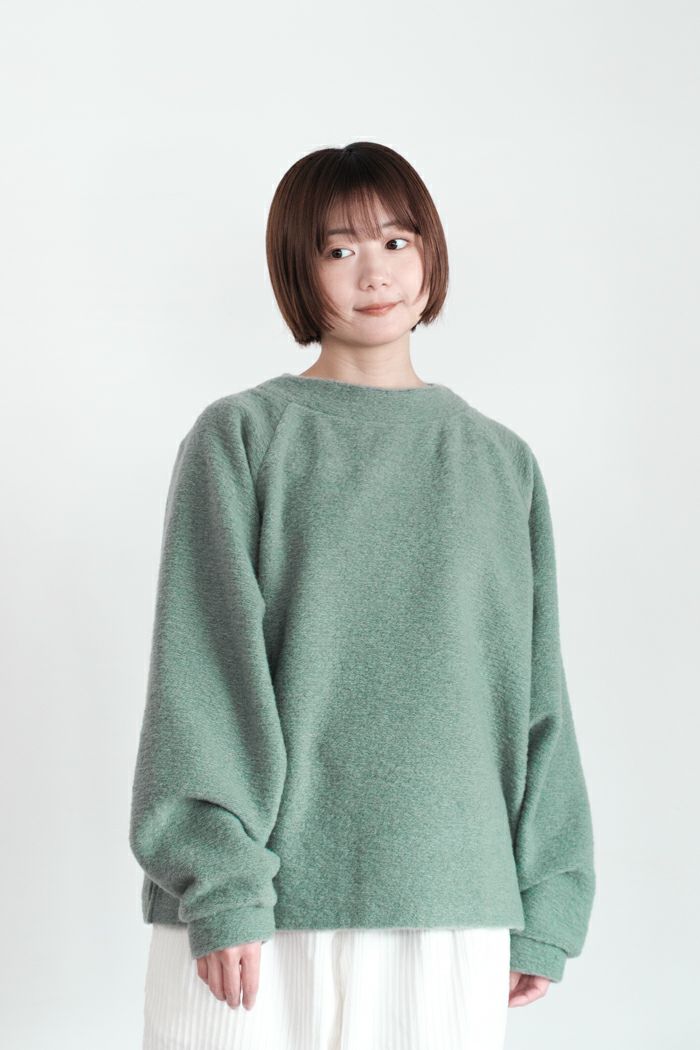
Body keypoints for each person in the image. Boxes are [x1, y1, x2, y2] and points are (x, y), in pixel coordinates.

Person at [129, 141, 596, 1050]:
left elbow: (536, 694)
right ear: (297, 272)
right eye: (338, 249)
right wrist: (220, 883)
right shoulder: (243, 438)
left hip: (450, 903)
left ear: (430, 254)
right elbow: (202, 671)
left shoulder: (501, 462)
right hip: (259, 907)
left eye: (396, 240)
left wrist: (548, 897)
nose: (374, 271)